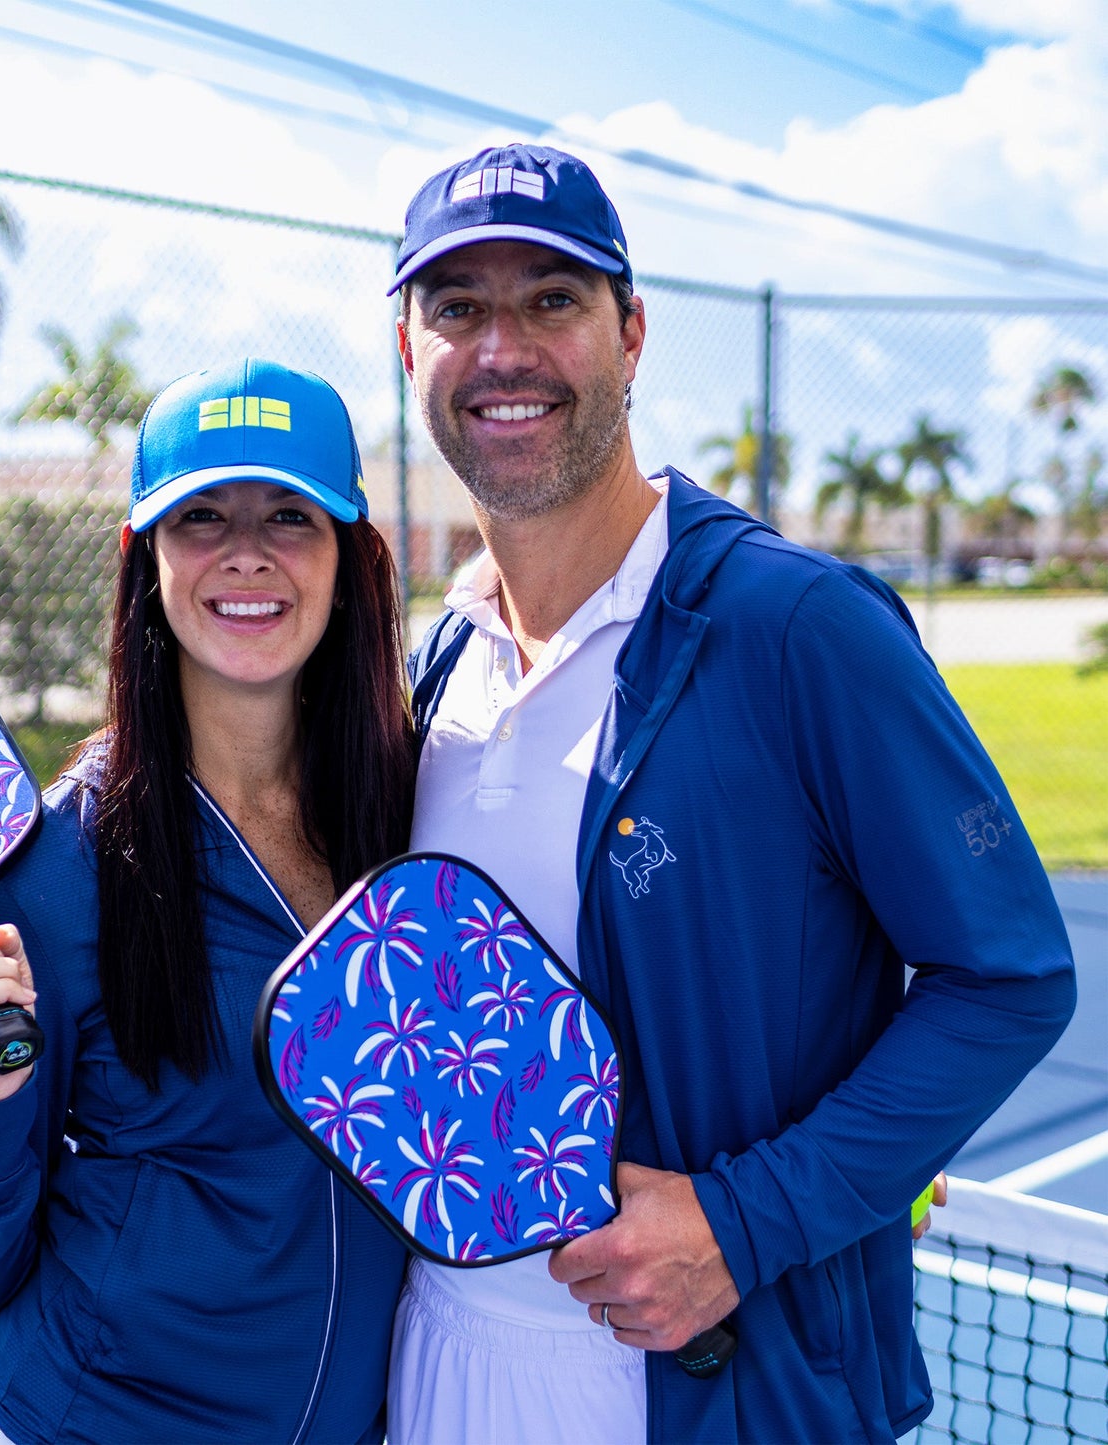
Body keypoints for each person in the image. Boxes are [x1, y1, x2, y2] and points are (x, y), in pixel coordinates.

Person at [382, 143, 1076, 1444]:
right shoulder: (434, 665)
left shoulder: (797, 629)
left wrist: (744, 1222)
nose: (503, 349)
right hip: (435, 1379)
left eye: (552, 300)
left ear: (631, 333)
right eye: (458, 308)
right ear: (405, 350)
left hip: (716, 1399)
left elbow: (1012, 975)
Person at [0, 358, 417, 1444]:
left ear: (351, 556)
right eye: (199, 517)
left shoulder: (412, 819)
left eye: (290, 515)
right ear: (144, 557)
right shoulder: (58, 863)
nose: (245, 552)